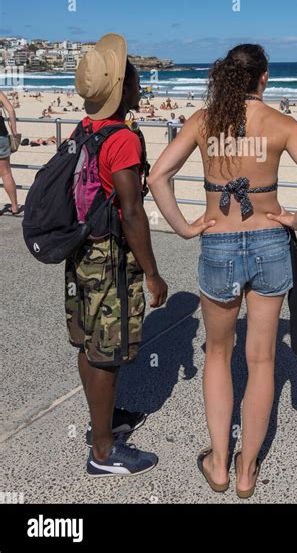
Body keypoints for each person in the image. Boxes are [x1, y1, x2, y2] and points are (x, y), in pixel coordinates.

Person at [148, 43, 297, 498]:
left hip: (219, 241)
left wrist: (185, 228)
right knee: (262, 360)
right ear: (263, 78)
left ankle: (219, 465)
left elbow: (157, 176)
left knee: (217, 354)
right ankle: (248, 471)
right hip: (269, 241)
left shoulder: (205, 121)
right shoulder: (282, 124)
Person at [70, 33, 168, 477]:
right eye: (134, 76)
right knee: (107, 354)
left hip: (81, 254)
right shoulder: (123, 139)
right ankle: (104, 453)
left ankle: (101, 425)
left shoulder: (86, 127)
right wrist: (152, 273)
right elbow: (131, 211)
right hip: (109, 259)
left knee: (89, 343)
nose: (140, 80)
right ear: (121, 88)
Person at [0, 90, 20, 215]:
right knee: (6, 173)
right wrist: (14, 130)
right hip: (1, 136)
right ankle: (14, 206)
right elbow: (11, 110)